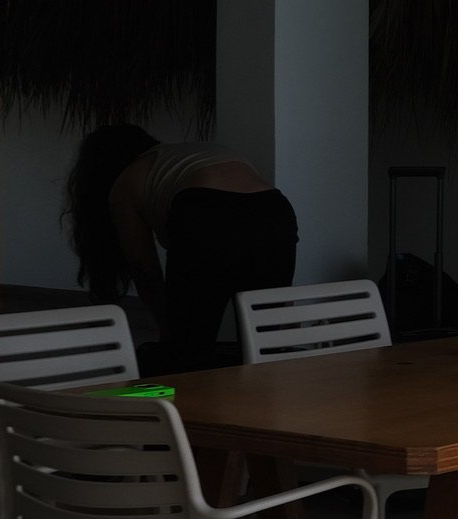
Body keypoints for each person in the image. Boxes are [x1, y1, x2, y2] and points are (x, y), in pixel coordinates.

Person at [65, 124, 299, 373]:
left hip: (206, 213)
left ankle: (182, 406)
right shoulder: (194, 154)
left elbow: (145, 269)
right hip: (274, 212)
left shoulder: (126, 181)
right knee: (263, 344)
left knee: (189, 354)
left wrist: (168, 333)